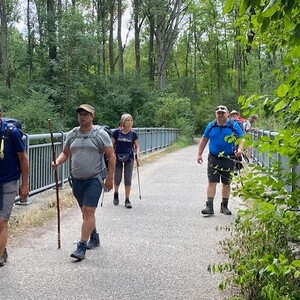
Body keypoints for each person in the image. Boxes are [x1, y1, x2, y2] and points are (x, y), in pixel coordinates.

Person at [51, 104, 115, 261]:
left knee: (88, 211)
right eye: (80, 114)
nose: (82, 116)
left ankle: (81, 247)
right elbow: (66, 153)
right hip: (77, 180)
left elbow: (111, 156)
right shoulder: (73, 134)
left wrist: (110, 178)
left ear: (92, 116)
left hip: (95, 179)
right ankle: (94, 236)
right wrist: (57, 162)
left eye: (86, 114)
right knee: (85, 212)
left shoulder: (100, 134)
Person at [197, 105, 244, 215]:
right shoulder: (211, 125)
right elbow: (204, 140)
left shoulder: (233, 125)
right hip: (214, 157)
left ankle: (224, 206)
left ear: (227, 114)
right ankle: (209, 206)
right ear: (216, 114)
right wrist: (199, 154)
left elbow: (241, 139)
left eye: (222, 113)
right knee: (212, 181)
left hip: (228, 158)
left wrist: (240, 150)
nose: (220, 114)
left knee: (226, 183)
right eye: (218, 113)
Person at [0, 104, 29, 267]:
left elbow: (23, 158)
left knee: (2, 220)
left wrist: (25, 184)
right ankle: (2, 250)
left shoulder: (11, 132)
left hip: (8, 181)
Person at [112, 114, 139, 209]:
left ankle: (127, 199)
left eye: (131, 120)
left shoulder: (133, 133)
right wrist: (112, 155)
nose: (130, 122)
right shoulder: (116, 132)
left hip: (129, 157)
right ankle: (116, 194)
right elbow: (112, 145)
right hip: (117, 157)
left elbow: (136, 146)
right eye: (128, 120)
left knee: (128, 179)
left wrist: (137, 155)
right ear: (123, 122)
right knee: (117, 177)